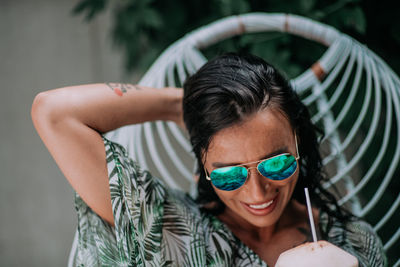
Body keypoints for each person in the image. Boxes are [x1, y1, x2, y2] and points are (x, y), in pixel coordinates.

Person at [31, 53, 386, 266]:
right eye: (230, 175)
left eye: (277, 164)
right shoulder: (166, 228)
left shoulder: (353, 243)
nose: (259, 193)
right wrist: (180, 104)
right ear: (203, 166)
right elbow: (54, 112)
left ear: (298, 144)